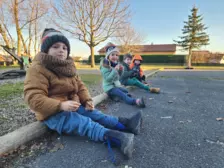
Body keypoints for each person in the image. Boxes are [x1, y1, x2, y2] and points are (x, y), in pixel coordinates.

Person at [23, 28, 143, 163]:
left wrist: (87, 100)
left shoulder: (68, 66)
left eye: (64, 47)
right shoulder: (38, 68)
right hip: (52, 113)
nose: (61, 50)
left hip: (72, 104)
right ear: (45, 50)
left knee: (95, 114)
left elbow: (80, 86)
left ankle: (127, 125)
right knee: (83, 123)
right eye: (55, 46)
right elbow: (33, 97)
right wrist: (60, 105)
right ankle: (116, 138)